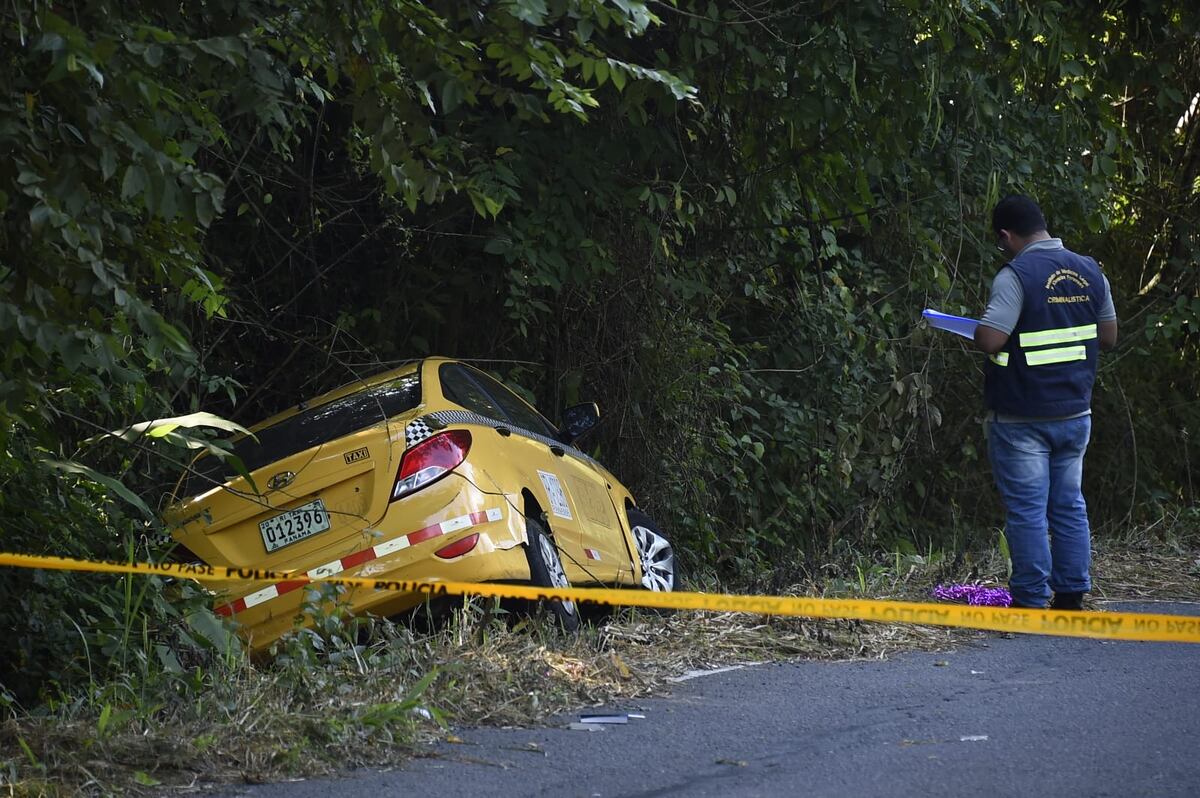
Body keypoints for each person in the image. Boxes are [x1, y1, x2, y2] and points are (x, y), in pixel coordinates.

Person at [973, 195, 1118, 610]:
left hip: (1021, 416)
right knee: (1069, 503)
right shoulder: (1091, 270)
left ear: (1006, 236)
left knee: (1027, 510)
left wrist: (981, 328)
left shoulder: (1016, 275)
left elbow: (990, 340)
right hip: (1075, 412)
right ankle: (1071, 593)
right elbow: (1107, 337)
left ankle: (1031, 598)